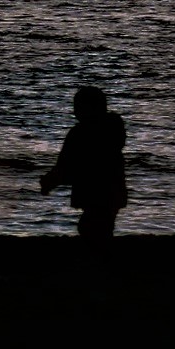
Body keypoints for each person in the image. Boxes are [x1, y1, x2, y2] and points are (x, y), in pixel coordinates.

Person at [41, 85, 128, 240]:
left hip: (92, 192)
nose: (74, 111)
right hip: (114, 192)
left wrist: (49, 182)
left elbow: (65, 166)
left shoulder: (79, 134)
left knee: (90, 229)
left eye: (77, 107)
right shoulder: (112, 130)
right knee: (103, 227)